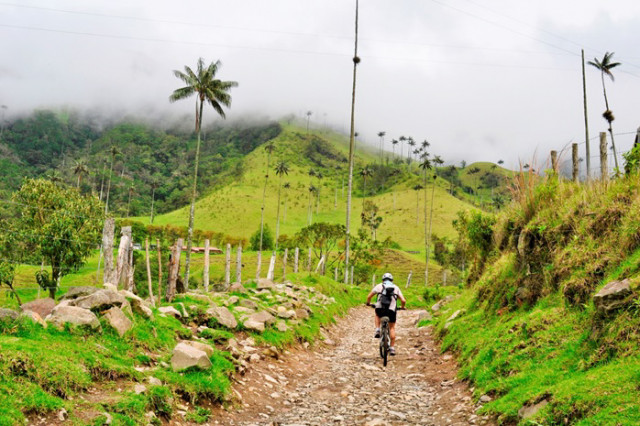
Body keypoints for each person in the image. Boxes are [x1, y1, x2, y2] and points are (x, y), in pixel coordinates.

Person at [366, 272, 406, 356]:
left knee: (377, 314)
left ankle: (377, 329)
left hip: (381, 309)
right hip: (391, 310)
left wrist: (368, 303)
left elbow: (369, 297)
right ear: (392, 280)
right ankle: (392, 348)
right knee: (392, 328)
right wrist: (402, 307)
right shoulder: (395, 287)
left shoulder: (379, 286)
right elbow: (403, 300)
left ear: (383, 280)